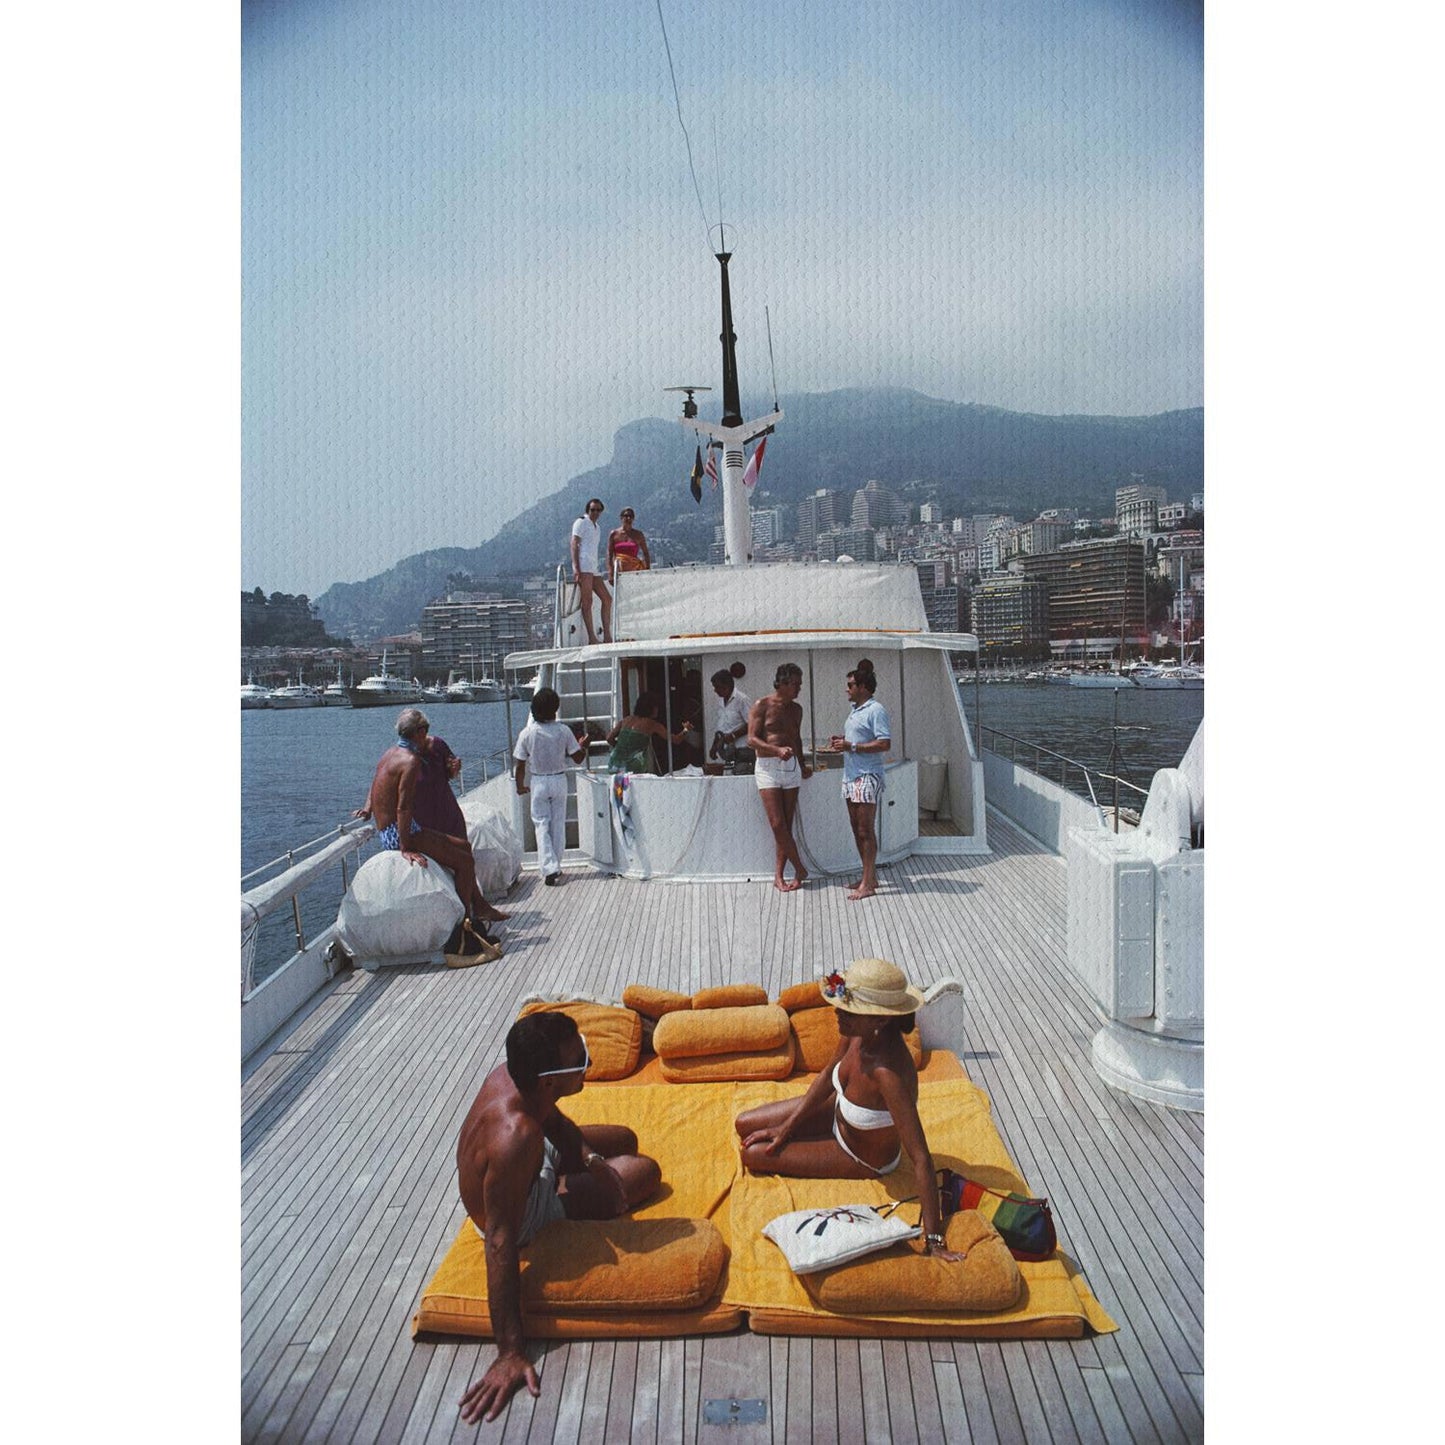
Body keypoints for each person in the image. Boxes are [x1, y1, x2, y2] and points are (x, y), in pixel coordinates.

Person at [456, 1011, 662, 1424]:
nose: (588, 1061)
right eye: (579, 1057)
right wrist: (510, 1352)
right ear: (550, 1079)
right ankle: (566, 1190)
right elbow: (498, 1238)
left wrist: (589, 1158)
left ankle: (577, 1169)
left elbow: (551, 1119)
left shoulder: (519, 1079)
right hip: (526, 1210)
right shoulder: (517, 1136)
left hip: (531, 1164)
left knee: (624, 1141)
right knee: (646, 1172)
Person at [733, 957, 961, 1260]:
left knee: (752, 1154)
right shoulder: (857, 1032)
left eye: (848, 1010)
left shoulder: (888, 1074)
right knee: (744, 1123)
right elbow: (828, 1075)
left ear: (879, 1019)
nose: (837, 1012)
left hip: (859, 1154)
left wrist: (934, 1240)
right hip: (838, 1112)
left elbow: (920, 1157)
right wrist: (786, 1128)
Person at [354, 708, 502, 965]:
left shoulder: (389, 754)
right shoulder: (410, 761)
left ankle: (473, 910)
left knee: (464, 848)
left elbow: (378, 784)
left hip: (392, 829)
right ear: (420, 733)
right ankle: (464, 922)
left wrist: (368, 809)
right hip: (399, 832)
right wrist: (406, 846)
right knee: (464, 861)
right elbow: (403, 807)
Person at [410, 729, 510, 924]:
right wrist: (369, 808)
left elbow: (452, 772)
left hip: (447, 810)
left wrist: (455, 767)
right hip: (424, 817)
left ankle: (476, 908)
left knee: (465, 855)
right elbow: (383, 781)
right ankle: (464, 914)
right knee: (451, 862)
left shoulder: (437, 745)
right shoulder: (404, 755)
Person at [747, 662, 812, 891]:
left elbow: (797, 739)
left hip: (791, 767)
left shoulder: (797, 710)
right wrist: (776, 751)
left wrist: (803, 765)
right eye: (796, 684)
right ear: (782, 683)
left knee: (786, 824)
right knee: (777, 823)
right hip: (767, 766)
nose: (799, 689)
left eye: (800, 684)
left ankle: (779, 875)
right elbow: (751, 739)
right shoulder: (761, 705)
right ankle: (800, 868)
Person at [513, 687, 587, 886]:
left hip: (538, 781)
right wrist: (583, 745)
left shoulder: (527, 733)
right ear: (555, 709)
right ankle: (556, 865)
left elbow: (520, 764)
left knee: (541, 824)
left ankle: (549, 867)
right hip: (559, 780)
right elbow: (578, 758)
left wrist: (520, 786)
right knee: (557, 824)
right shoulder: (563, 730)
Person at [829, 665, 892, 900]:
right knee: (857, 829)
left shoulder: (876, 710)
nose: (847, 689)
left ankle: (867, 883)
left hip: (867, 775)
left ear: (862, 687)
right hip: (851, 776)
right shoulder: (855, 710)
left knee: (865, 829)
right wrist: (843, 741)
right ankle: (869, 877)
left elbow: (884, 744)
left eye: (850, 685)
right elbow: (859, 739)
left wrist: (851, 746)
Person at [604, 692, 695, 774]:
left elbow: (609, 738)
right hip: (632, 769)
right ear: (651, 708)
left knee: (618, 791)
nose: (658, 710)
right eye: (656, 707)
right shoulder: (652, 724)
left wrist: (620, 748)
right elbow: (676, 740)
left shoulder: (626, 720)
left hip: (614, 765)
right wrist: (686, 730)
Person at [570, 497, 612, 645]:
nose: (595, 512)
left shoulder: (597, 527)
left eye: (598, 510)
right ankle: (592, 638)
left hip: (594, 568)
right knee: (587, 602)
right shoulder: (581, 522)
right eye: (593, 509)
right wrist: (576, 567)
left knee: (607, 599)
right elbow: (574, 543)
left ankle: (607, 635)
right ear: (588, 509)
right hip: (584, 566)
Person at [708, 667, 752, 766]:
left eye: (717, 687)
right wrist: (714, 746)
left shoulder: (742, 699)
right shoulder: (721, 701)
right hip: (727, 751)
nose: (715, 690)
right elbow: (721, 727)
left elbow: (752, 724)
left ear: (726, 686)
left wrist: (733, 736)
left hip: (742, 749)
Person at [607, 507, 652, 581]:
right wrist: (610, 572)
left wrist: (647, 569)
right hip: (619, 571)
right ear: (621, 517)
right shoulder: (614, 534)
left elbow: (646, 553)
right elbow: (609, 554)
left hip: (635, 571)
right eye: (626, 516)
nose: (629, 518)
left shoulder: (638, 535)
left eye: (631, 516)